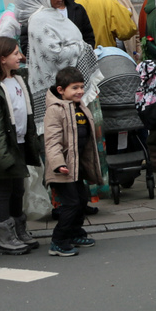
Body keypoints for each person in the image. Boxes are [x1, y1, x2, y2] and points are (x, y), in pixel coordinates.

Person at [0, 37, 41, 255]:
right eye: (15, 53)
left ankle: (19, 231)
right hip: (3, 150)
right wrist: (3, 157)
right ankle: (5, 237)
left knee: (17, 191)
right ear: (3, 59)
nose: (20, 57)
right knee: (3, 192)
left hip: (19, 144)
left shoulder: (19, 79)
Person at [43, 66, 102, 256]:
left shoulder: (79, 106)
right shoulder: (55, 110)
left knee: (81, 200)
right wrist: (59, 164)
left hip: (75, 167)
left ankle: (75, 232)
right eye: (75, 88)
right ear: (61, 90)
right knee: (71, 203)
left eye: (81, 87)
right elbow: (52, 141)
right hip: (61, 169)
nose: (80, 91)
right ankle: (58, 240)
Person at [15, 0, 93, 113]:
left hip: (70, 87)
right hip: (59, 92)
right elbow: (54, 54)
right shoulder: (39, 20)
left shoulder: (51, 14)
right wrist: (82, 48)